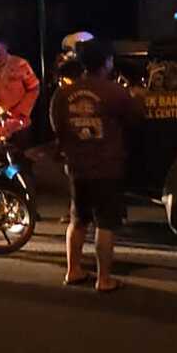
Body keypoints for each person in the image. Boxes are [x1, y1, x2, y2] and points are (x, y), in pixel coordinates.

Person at [50, 40, 141, 293]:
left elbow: (57, 127)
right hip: (107, 167)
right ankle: (104, 279)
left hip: (76, 167)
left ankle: (73, 270)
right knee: (105, 223)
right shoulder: (115, 92)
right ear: (106, 62)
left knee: (78, 220)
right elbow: (135, 118)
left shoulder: (63, 94)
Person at [0, 30, 40, 142]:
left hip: (18, 123)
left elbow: (34, 88)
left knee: (21, 150)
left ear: (5, 47)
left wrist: (19, 111)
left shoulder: (20, 64)